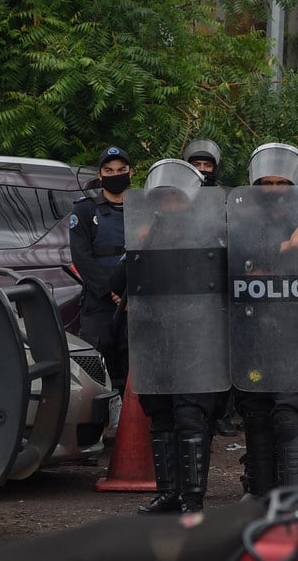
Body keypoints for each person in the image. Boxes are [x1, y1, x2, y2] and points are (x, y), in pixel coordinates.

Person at [233, 143, 298, 499]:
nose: (273, 189)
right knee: (256, 415)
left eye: (281, 183)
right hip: (253, 336)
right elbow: (238, 262)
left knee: (289, 416)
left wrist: (273, 260)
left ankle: (293, 500)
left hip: (297, 336)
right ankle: (260, 495)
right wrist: (285, 250)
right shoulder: (240, 221)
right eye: (267, 182)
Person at [130, 159, 220, 514]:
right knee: (161, 414)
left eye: (177, 199)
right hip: (156, 336)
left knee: (190, 415)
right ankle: (169, 492)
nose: (170, 206)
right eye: (163, 199)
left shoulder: (212, 233)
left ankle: (192, 498)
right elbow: (126, 285)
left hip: (198, 337)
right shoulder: (145, 234)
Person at [182, 138, 237, 438]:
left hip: (221, 285)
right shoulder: (175, 196)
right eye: (197, 165)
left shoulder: (226, 197)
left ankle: (222, 415)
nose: (203, 170)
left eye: (208, 165)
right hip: (188, 287)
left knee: (223, 353)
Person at [69, 145, 133, 389]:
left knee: (134, 363)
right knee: (95, 365)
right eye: (109, 170)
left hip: (134, 301)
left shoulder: (143, 208)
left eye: (120, 170)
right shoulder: (85, 209)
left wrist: (130, 293)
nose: (115, 174)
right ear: (100, 174)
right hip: (100, 300)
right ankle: (96, 422)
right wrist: (112, 290)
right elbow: (81, 256)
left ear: (130, 172)